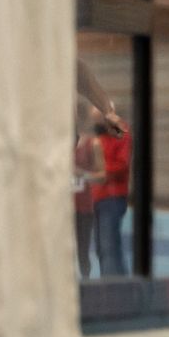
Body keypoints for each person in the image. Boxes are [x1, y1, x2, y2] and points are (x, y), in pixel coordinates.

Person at [93, 115, 132, 277]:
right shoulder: (98, 137)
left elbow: (122, 165)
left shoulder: (121, 134)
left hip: (113, 196)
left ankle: (111, 286)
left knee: (108, 246)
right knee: (103, 248)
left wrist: (100, 170)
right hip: (96, 197)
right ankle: (115, 283)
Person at [72, 103, 105, 280]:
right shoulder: (64, 144)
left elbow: (102, 175)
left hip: (84, 206)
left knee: (82, 251)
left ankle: (85, 283)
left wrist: (83, 174)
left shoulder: (94, 144)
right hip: (64, 205)